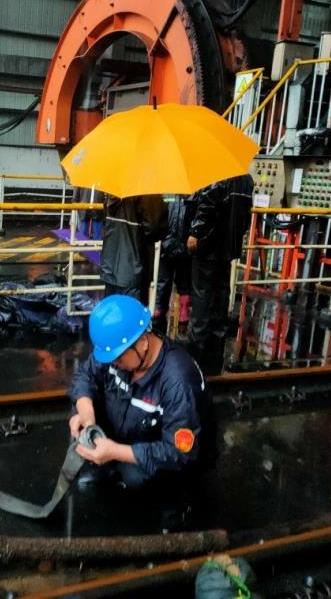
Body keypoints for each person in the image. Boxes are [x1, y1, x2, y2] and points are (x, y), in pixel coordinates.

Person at [69, 295, 212, 489]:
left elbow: (179, 453)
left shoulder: (179, 382)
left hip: (157, 452)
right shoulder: (118, 349)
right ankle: (105, 465)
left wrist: (116, 452)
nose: (114, 364)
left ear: (143, 341)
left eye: (118, 358)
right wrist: (85, 411)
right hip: (126, 432)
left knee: (135, 477)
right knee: (80, 409)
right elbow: (86, 374)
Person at [186, 174, 254, 375]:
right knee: (221, 291)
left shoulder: (217, 177)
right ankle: (217, 339)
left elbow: (207, 204)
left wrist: (195, 233)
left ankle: (198, 343)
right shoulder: (246, 181)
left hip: (209, 247)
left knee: (202, 293)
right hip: (228, 247)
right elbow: (246, 217)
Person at [100, 194, 166, 299]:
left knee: (112, 307)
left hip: (110, 266)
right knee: (133, 308)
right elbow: (154, 229)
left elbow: (104, 219)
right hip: (135, 268)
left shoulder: (112, 192)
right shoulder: (147, 192)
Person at [154, 194, 193, 330]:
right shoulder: (166, 192)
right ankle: (159, 309)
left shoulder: (191, 193)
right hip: (167, 242)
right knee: (163, 280)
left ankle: (183, 312)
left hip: (183, 243)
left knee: (184, 280)